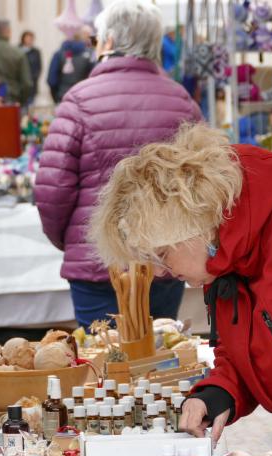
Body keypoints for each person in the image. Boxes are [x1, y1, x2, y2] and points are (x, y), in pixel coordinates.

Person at [89, 123, 272, 456]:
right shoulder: (223, 255)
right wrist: (219, 392)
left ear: (189, 225)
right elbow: (252, 346)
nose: (159, 272)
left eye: (161, 253)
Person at [35, 0, 202, 331]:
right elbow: (202, 184)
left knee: (105, 361)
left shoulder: (79, 100)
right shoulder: (181, 100)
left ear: (107, 41)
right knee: (161, 357)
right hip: (165, 256)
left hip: (96, 257)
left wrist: (71, 241)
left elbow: (52, 190)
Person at [0, 19, 33, 106]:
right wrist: (22, 100)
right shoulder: (18, 53)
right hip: (12, 100)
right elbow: (27, 84)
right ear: (8, 31)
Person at [46, 29, 94, 103]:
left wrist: (55, 96)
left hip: (63, 95)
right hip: (83, 95)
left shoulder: (58, 54)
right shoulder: (89, 54)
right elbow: (93, 76)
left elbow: (52, 79)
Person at [19, 30, 42, 105]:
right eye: (28, 38)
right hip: (20, 87)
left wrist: (32, 79)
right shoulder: (17, 50)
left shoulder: (36, 52)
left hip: (32, 86)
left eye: (31, 39)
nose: (30, 40)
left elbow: (39, 68)